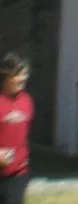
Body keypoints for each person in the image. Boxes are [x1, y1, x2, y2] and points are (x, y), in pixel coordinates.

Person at [0, 54, 31, 204]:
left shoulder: (26, 101)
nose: (23, 79)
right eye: (19, 74)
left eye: (25, 74)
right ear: (6, 75)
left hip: (18, 173)